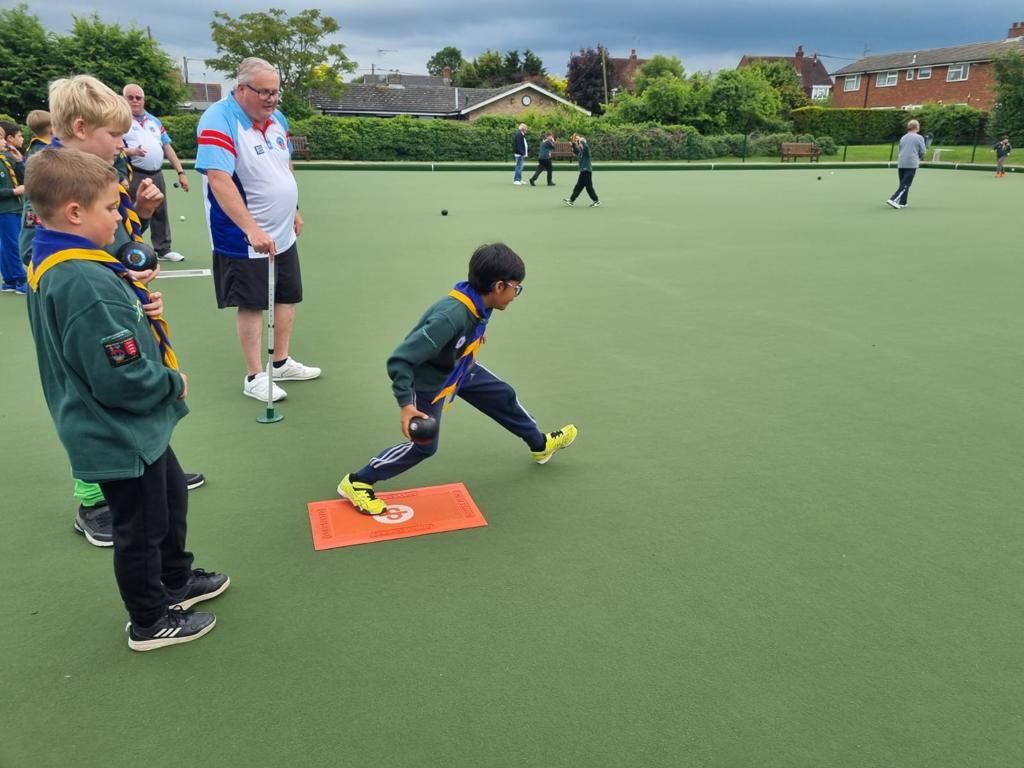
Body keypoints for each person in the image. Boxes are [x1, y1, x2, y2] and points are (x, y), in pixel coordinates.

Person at [24, 147, 228, 651]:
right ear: (75, 212)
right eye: (112, 208)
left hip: (134, 426)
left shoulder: (66, 258)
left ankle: (175, 580)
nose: (120, 218)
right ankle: (149, 620)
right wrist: (171, 383)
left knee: (171, 496)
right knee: (140, 527)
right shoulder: (83, 281)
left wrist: (135, 298)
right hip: (116, 428)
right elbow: (120, 378)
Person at [19, 75, 205, 549]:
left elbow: (116, 236)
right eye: (114, 135)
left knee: (130, 409)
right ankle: (92, 501)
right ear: (81, 129)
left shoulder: (103, 170)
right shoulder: (53, 176)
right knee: (90, 400)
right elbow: (38, 252)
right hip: (88, 304)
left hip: (112, 293)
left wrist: (134, 243)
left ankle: (152, 465)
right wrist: (108, 279)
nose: (122, 145)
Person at [337, 242, 578, 516]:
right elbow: (400, 360)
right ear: (499, 286)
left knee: (503, 395)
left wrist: (472, 336)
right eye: (516, 288)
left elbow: (472, 321)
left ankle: (540, 445)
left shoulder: (479, 300)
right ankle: (358, 481)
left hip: (459, 367)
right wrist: (406, 404)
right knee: (424, 447)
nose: (516, 294)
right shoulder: (450, 317)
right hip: (429, 382)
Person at [195, 56, 320, 403]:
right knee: (251, 302)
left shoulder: (277, 118)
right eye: (264, 92)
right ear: (241, 89)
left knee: (287, 293)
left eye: (275, 92)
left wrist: (294, 208)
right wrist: (250, 228)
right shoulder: (218, 120)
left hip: (282, 230)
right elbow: (219, 179)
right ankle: (254, 375)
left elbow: (284, 163)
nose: (271, 99)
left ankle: (280, 362)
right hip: (241, 234)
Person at [122, 83, 189, 262]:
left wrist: (181, 172)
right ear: (124, 99)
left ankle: (163, 249)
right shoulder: (120, 120)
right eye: (130, 97)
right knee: (132, 210)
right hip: (133, 173)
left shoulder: (154, 121)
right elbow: (114, 148)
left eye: (138, 97)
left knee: (160, 210)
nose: (135, 101)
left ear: (144, 100)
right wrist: (132, 151)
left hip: (156, 173)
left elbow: (167, 147)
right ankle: (129, 247)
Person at [0, 122, 27, 294]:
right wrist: (13, 191)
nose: (4, 142)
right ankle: (20, 279)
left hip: (15, 208)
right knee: (12, 245)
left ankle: (10, 280)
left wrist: (19, 162)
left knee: (7, 245)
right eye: (0, 138)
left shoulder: (5, 158)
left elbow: (24, 177)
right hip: (5, 210)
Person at [886, 119, 926, 209]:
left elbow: (900, 149)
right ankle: (893, 199)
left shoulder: (903, 137)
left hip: (901, 163)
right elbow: (923, 151)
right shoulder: (919, 137)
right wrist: (919, 157)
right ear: (917, 127)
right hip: (911, 163)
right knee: (906, 184)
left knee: (903, 183)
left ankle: (903, 202)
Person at [563, 133, 600, 207]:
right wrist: (573, 143)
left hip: (587, 171)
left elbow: (585, 146)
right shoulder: (580, 152)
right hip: (583, 171)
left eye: (580, 142)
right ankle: (571, 200)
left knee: (589, 187)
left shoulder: (586, 151)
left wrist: (580, 139)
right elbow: (576, 150)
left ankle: (596, 201)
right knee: (578, 187)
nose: (579, 143)